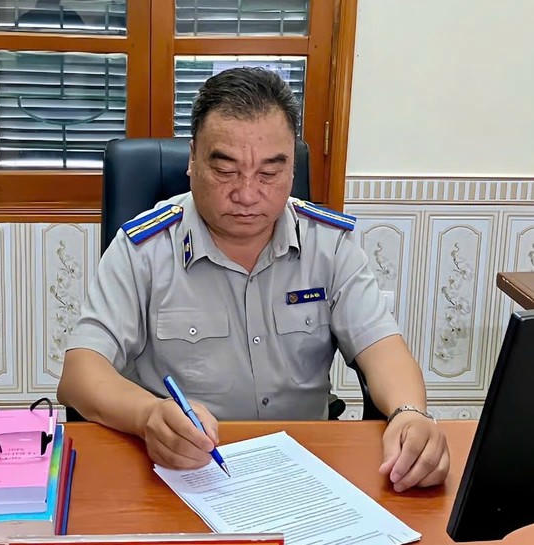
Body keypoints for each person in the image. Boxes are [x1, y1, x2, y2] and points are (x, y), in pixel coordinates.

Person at [57, 67, 449, 493]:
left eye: (268, 173)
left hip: (303, 472)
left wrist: (410, 414)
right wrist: (148, 415)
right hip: (186, 471)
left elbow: (382, 348)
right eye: (226, 171)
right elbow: (80, 375)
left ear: (291, 168)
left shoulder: (328, 244)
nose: (246, 194)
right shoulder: (144, 248)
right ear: (192, 160)